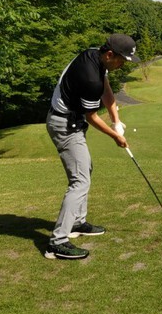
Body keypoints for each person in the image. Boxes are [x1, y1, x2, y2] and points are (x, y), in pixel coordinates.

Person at [44, 34, 137, 260]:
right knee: (80, 180)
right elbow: (92, 117)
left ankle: (77, 223)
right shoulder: (90, 79)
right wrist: (115, 136)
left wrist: (116, 120)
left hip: (71, 121)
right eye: (122, 60)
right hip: (64, 125)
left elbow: (107, 90)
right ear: (110, 54)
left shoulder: (95, 55)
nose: (123, 65)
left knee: (85, 170)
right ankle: (57, 242)